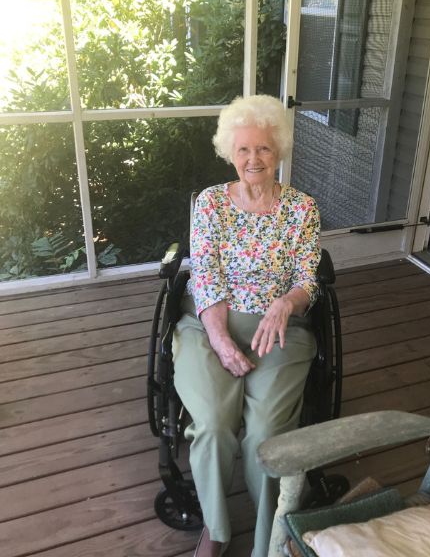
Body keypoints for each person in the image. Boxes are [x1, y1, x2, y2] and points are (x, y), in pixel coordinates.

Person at [172, 94, 321, 557]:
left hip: (280, 329)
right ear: (229, 153)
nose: (253, 159)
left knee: (265, 432)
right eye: (243, 149)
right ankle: (216, 528)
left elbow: (307, 279)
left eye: (263, 148)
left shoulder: (302, 209)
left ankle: (266, 537)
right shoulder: (211, 204)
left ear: (279, 152)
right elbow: (206, 276)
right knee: (214, 422)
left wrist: (286, 303)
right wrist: (219, 339)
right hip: (209, 325)